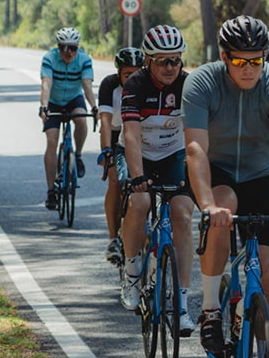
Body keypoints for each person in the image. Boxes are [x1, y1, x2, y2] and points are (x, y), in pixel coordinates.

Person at [182, 15, 269, 357]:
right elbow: (195, 148)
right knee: (224, 203)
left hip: (258, 177)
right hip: (216, 173)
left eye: (256, 61)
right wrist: (207, 205)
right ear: (224, 57)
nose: (249, 69)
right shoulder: (202, 82)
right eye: (239, 62)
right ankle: (210, 309)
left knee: (268, 274)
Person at [118, 25, 197, 336]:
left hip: (173, 154)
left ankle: (182, 305)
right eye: (163, 61)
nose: (170, 67)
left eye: (176, 60)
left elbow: (197, 133)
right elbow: (130, 135)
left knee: (183, 214)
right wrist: (137, 176)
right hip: (140, 154)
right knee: (140, 203)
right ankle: (132, 273)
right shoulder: (135, 85)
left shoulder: (188, 85)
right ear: (148, 61)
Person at [38, 27, 97, 210]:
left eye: (72, 48)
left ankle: (77, 155)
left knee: (81, 120)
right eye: (63, 47)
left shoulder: (84, 60)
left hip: (73, 98)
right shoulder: (49, 58)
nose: (68, 52)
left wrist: (94, 107)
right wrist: (44, 106)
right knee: (52, 141)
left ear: (78, 47)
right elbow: (46, 85)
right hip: (54, 101)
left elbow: (86, 86)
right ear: (58, 47)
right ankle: (51, 191)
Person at [96, 47, 145, 266]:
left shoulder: (148, 84)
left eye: (136, 73)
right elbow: (105, 122)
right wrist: (106, 150)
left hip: (140, 134)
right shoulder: (109, 85)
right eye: (127, 74)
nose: (132, 78)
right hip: (116, 134)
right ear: (118, 73)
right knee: (116, 180)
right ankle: (113, 238)